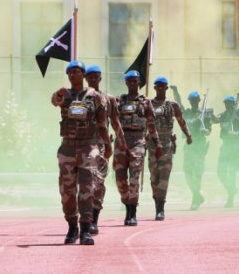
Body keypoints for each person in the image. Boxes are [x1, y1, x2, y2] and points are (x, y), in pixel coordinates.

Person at [51, 60, 112, 245]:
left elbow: (102, 123)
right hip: (68, 148)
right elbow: (54, 101)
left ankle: (85, 229)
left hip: (88, 147)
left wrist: (107, 146)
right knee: (67, 191)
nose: (73, 75)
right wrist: (57, 94)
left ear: (83, 75)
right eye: (70, 72)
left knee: (87, 190)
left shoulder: (94, 96)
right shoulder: (64, 94)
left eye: (77, 72)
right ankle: (72, 227)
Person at [114, 70, 162, 226]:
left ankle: (132, 212)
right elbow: (111, 118)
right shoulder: (119, 100)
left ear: (139, 83)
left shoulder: (145, 102)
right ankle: (126, 203)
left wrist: (157, 143)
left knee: (134, 178)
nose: (133, 83)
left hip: (138, 141)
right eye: (130, 81)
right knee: (120, 179)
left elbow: (151, 124)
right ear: (126, 83)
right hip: (121, 142)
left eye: (135, 81)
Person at [84, 64, 126, 235]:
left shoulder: (109, 99)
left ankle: (94, 219)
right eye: (90, 76)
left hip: (101, 145)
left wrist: (122, 142)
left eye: (96, 76)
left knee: (99, 182)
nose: (93, 79)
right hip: (83, 144)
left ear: (100, 78)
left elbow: (115, 122)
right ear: (86, 78)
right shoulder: (80, 98)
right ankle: (83, 219)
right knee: (84, 183)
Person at [148, 77, 192, 220]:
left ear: (166, 88)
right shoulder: (149, 104)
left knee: (164, 176)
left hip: (167, 144)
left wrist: (188, 135)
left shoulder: (173, 105)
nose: (160, 89)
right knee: (154, 177)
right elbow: (144, 123)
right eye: (158, 86)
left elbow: (181, 121)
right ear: (155, 88)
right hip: (153, 144)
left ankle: (161, 208)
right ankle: (156, 202)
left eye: (163, 86)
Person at [171, 86, 217, 210]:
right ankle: (197, 195)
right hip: (189, 145)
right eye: (191, 100)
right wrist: (176, 92)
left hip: (200, 145)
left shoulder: (204, 115)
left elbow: (208, 131)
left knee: (197, 173)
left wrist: (204, 128)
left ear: (199, 101)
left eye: (195, 100)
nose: (193, 102)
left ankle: (195, 199)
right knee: (187, 172)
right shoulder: (187, 113)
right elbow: (178, 105)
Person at [218, 92, 239, 207]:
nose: (228, 105)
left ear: (234, 104)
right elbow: (217, 122)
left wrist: (236, 133)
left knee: (232, 172)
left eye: (230, 103)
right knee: (220, 172)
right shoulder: (223, 115)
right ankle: (231, 189)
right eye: (226, 103)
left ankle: (231, 198)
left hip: (236, 146)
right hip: (226, 146)